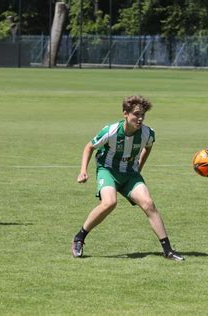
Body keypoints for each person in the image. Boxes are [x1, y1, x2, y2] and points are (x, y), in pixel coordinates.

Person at [71, 95, 184, 261]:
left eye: (142, 115)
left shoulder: (147, 133)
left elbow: (148, 147)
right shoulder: (111, 131)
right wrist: (83, 171)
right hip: (108, 170)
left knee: (148, 204)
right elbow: (89, 147)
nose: (139, 119)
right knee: (109, 203)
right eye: (136, 114)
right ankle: (79, 238)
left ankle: (168, 251)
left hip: (130, 173)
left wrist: (140, 167)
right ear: (125, 113)